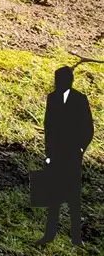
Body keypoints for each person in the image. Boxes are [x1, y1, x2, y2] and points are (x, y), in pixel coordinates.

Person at [40, 65, 94, 244]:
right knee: (53, 196)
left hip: (72, 154)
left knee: (73, 197)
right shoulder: (52, 98)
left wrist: (80, 149)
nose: (58, 83)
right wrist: (48, 152)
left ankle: (76, 237)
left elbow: (88, 127)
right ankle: (49, 235)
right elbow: (48, 126)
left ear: (69, 81)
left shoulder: (80, 99)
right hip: (55, 154)